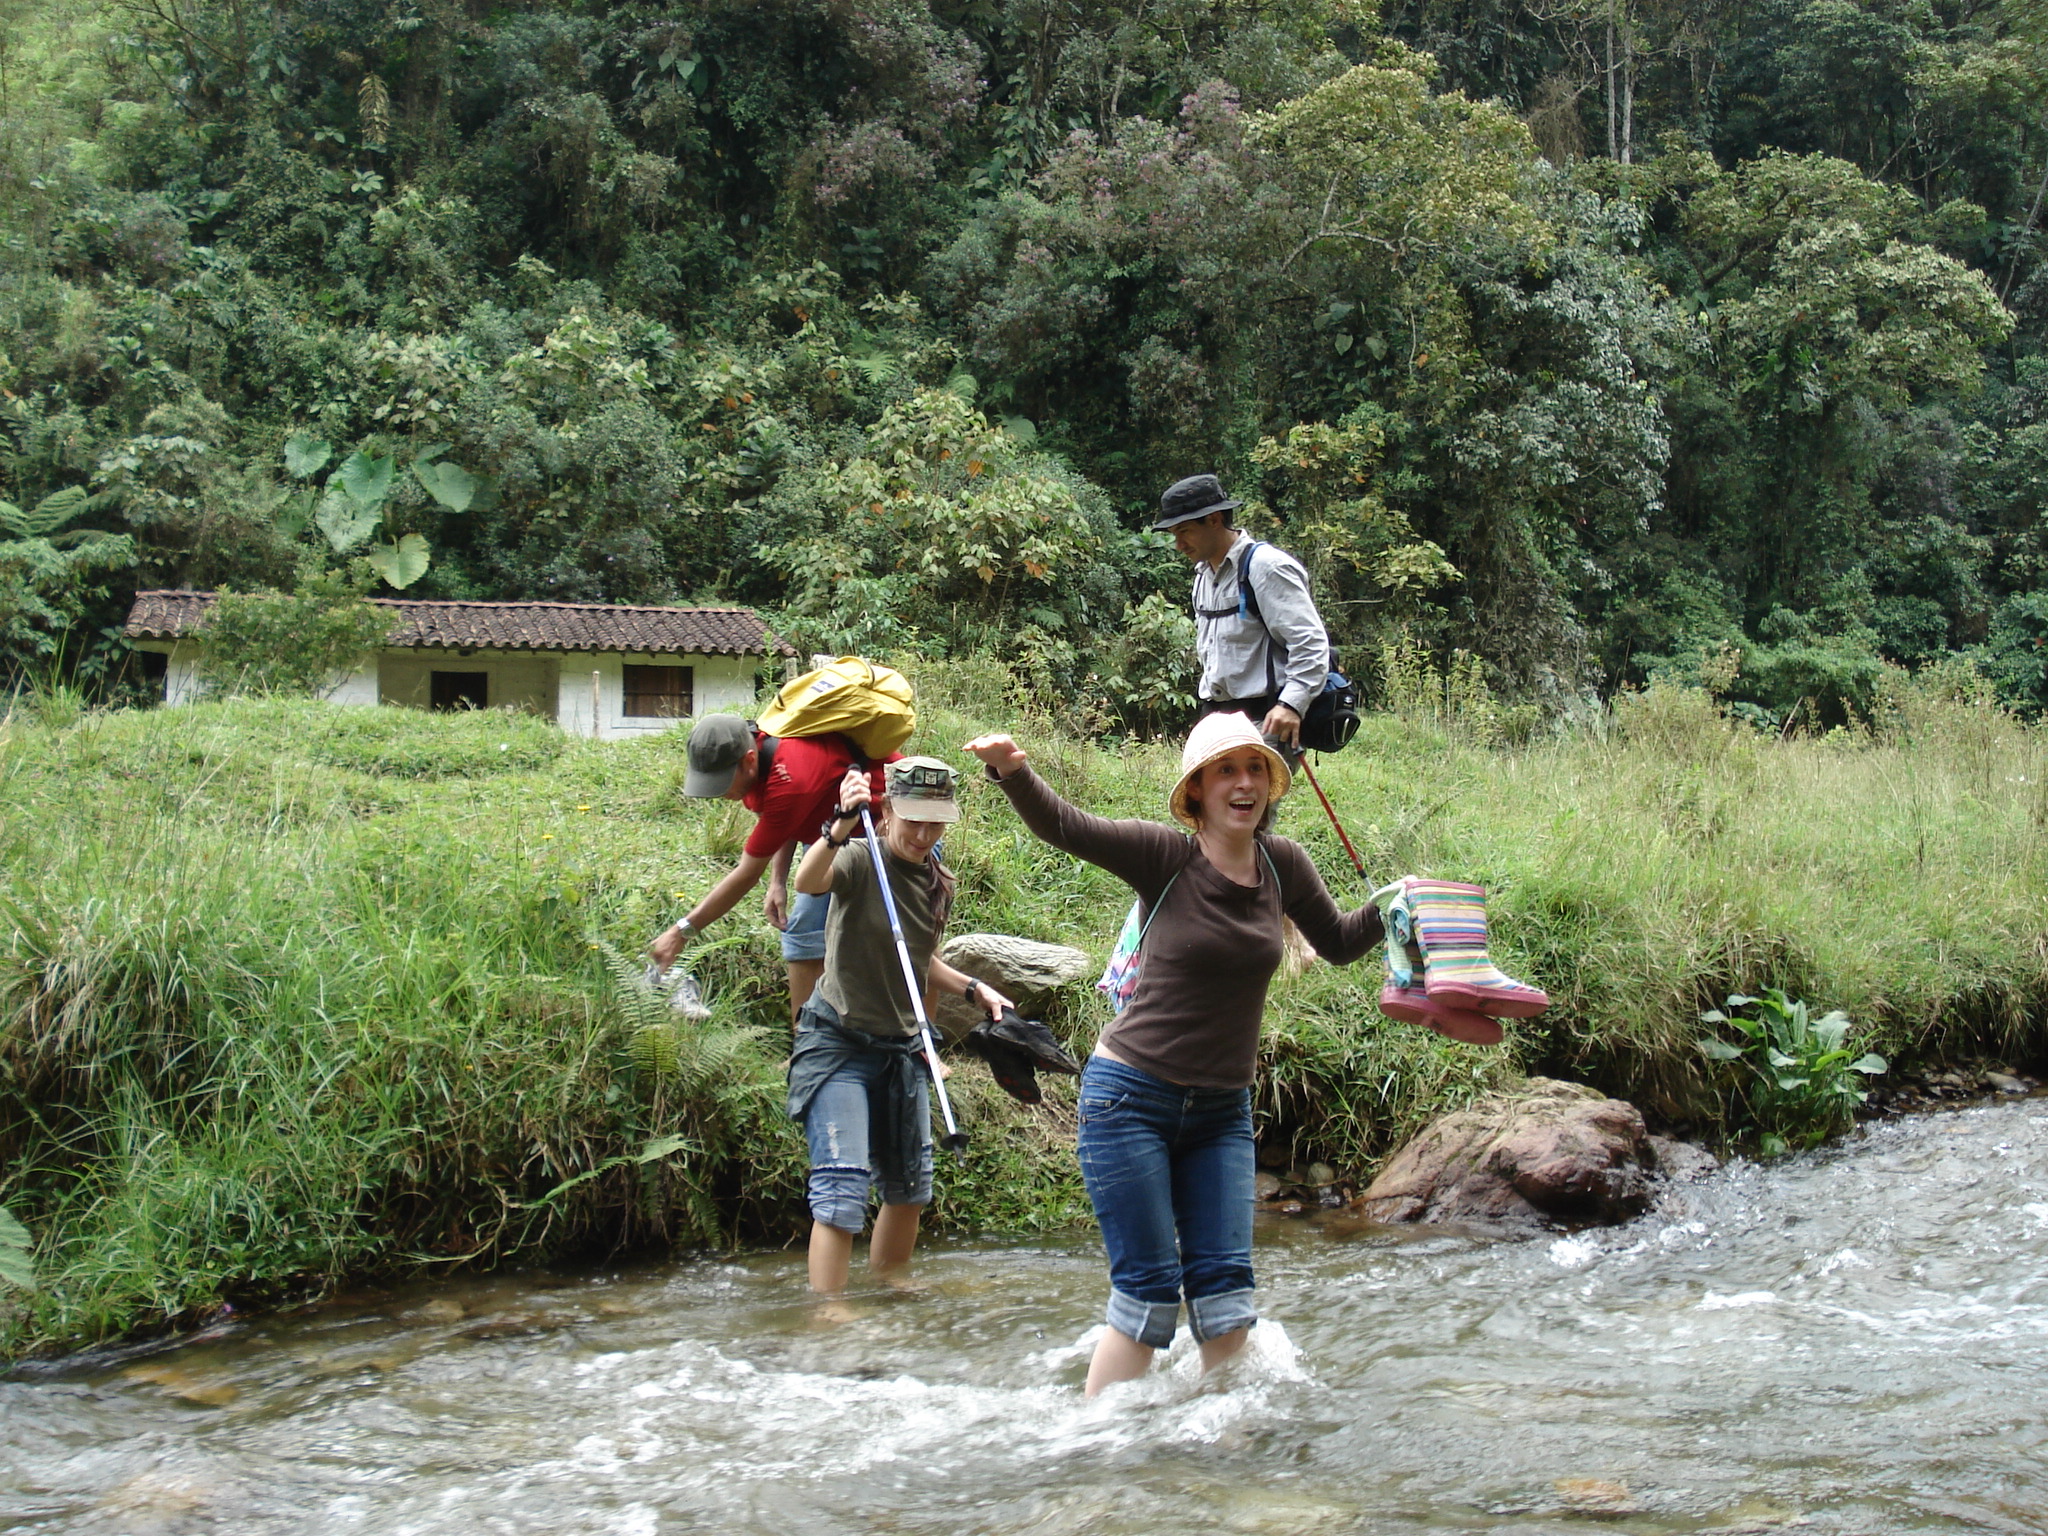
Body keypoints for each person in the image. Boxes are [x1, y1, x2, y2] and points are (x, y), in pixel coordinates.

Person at [963, 712, 1382, 1395]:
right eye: (1225, 770)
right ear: (1197, 791)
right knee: (1150, 1291)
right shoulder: (1166, 856)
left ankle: (1225, 1463)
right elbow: (1068, 826)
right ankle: (1098, 1452)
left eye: (1254, 769)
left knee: (1226, 1291)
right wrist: (1013, 771)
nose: (1243, 783)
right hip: (1130, 1099)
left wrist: (1400, 906)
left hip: (1220, 1113)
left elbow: (1336, 941)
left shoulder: (1285, 864)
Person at [787, 756, 1013, 1293]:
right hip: (837, 1040)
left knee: (910, 1188)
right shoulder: (860, 858)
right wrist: (839, 822)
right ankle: (830, 1313)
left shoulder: (937, 881)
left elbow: (916, 959)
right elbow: (810, 878)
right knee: (843, 1187)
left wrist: (973, 988)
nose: (923, 833)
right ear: (886, 811)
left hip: (901, 1045)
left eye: (935, 822)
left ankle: (889, 1290)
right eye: (912, 819)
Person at [646, 715, 894, 1022]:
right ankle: (806, 1044)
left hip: (886, 829)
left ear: (748, 760)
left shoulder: (791, 779)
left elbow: (746, 874)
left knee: (901, 934)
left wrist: (682, 931)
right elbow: (785, 821)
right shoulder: (765, 745)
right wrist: (777, 881)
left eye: (722, 783)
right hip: (829, 829)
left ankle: (919, 1046)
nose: (721, 794)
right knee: (803, 935)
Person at [1154, 472, 1332, 753]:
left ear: (1214, 520)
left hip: (1264, 722)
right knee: (1204, 798)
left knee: (1247, 799)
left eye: (1185, 531)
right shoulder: (1203, 575)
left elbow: (1310, 643)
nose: (1179, 545)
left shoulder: (1265, 567)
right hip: (1216, 720)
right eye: (1174, 535)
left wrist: (1290, 705)